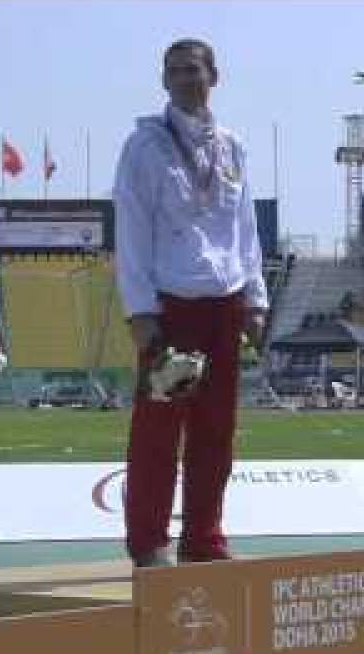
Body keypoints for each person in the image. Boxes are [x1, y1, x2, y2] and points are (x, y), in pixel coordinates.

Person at [113, 38, 269, 568]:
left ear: (214, 76)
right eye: (175, 71)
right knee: (158, 431)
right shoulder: (146, 146)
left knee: (216, 431)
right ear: (163, 81)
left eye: (194, 70)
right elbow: (131, 230)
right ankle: (148, 543)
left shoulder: (232, 146)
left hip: (224, 303)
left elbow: (244, 228)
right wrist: (139, 311)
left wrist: (256, 298)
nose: (185, 79)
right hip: (171, 305)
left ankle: (204, 538)